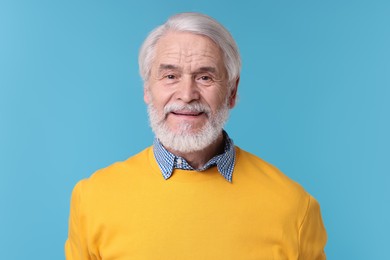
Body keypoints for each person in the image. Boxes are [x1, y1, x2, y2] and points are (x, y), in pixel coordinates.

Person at [65, 12, 327, 259]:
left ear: (232, 92)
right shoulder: (93, 199)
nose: (187, 94)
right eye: (170, 76)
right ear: (147, 89)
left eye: (204, 77)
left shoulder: (293, 207)